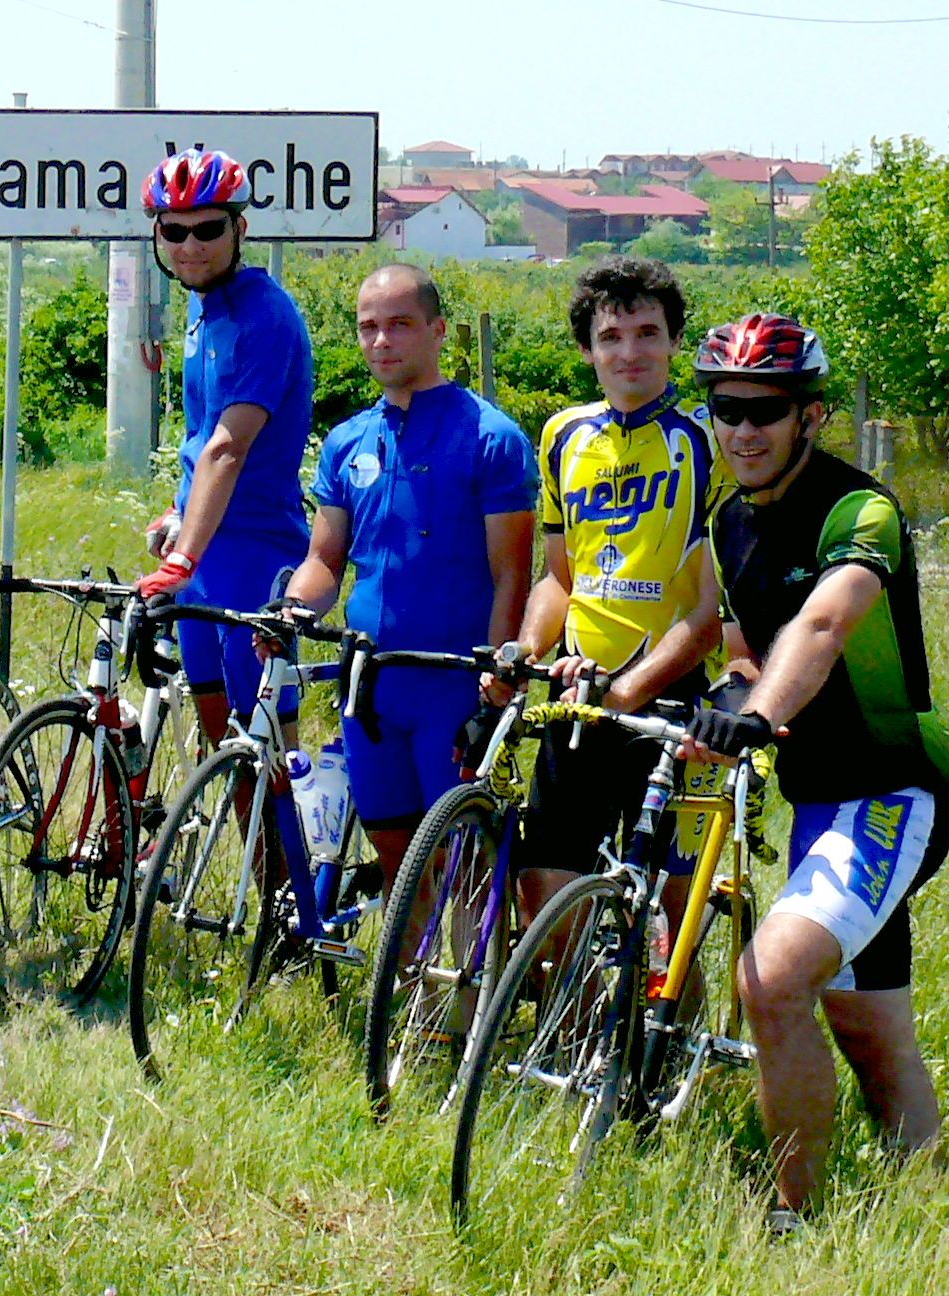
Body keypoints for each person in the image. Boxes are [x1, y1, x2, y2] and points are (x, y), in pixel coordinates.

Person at [684, 312, 949, 1228]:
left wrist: (759, 716)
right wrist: (730, 698)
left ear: (809, 415)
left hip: (888, 794)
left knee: (769, 983)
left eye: (766, 409)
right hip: (816, 805)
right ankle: (932, 1208)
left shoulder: (859, 510)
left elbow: (825, 623)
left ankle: (791, 1218)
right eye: (726, 408)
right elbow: (744, 649)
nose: (743, 429)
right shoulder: (728, 522)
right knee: (869, 1027)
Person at [276, 264, 534, 880]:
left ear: (437, 331)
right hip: (371, 683)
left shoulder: (492, 437)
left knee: (461, 867)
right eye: (368, 327)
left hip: (454, 684)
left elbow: (513, 576)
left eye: (399, 324)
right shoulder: (347, 440)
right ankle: (409, 949)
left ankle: (481, 950)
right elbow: (324, 562)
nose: (381, 341)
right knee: (396, 856)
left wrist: (499, 677)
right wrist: (290, 610)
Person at [507, 257, 727, 929]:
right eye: (610, 337)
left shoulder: (709, 439)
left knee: (671, 927)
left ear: (675, 340)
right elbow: (559, 578)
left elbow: (711, 613)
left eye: (647, 333)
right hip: (580, 691)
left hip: (676, 698)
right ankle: (578, 1005)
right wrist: (524, 650)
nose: (629, 352)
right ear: (586, 350)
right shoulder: (562, 437)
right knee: (546, 903)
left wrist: (630, 691)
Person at [133, 147, 314, 742]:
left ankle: (285, 810)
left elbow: (227, 446)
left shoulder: (265, 316)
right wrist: (179, 513)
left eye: (208, 229)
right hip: (204, 545)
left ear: (239, 228)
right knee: (219, 733)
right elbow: (198, 433)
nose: (190, 246)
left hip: (254, 548)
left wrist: (182, 557)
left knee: (264, 747)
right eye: (174, 231)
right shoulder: (203, 305)